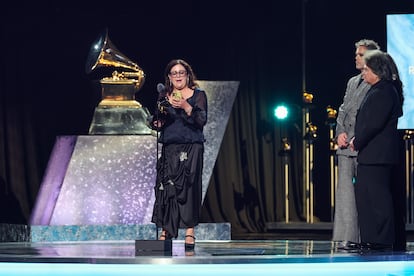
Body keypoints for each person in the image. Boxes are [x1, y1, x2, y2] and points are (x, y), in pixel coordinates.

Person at [350, 50, 404, 251]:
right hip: (372, 155)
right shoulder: (378, 89)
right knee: (367, 198)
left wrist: (358, 140)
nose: (363, 73)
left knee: (377, 200)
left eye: (366, 69)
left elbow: (373, 124)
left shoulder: (384, 91)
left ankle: (380, 239)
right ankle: (372, 238)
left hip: (377, 155)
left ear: (377, 70)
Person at [150, 59, 207, 251]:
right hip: (170, 147)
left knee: (189, 189)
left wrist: (185, 106)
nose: (178, 76)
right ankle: (166, 230)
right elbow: (158, 120)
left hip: (191, 148)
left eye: (181, 72)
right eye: (174, 73)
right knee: (166, 188)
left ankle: (189, 231)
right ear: (169, 77)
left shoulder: (198, 95)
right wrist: (156, 122)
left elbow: (201, 120)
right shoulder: (163, 96)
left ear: (188, 75)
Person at [333, 39, 380, 250]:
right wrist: (340, 133)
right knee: (345, 196)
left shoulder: (377, 81)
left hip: (362, 146)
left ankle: (365, 237)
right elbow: (342, 110)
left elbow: (370, 115)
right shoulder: (353, 81)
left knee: (365, 196)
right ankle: (346, 237)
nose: (356, 57)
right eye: (356, 54)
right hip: (345, 147)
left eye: (360, 54)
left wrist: (356, 137)